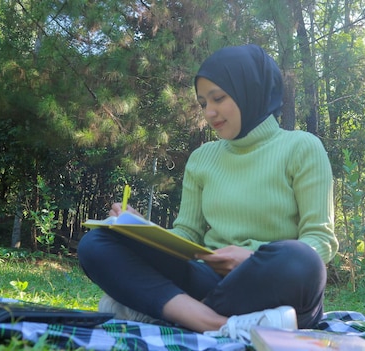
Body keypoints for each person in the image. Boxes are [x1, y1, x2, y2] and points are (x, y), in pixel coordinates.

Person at [78, 44, 338, 341]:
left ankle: (159, 308)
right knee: (96, 242)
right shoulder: (203, 157)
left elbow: (320, 241)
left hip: (273, 285)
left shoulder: (302, 148)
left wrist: (250, 258)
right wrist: (142, 231)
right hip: (208, 279)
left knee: (300, 260)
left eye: (219, 98)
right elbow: (186, 236)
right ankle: (212, 322)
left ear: (250, 90)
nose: (210, 112)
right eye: (203, 103)